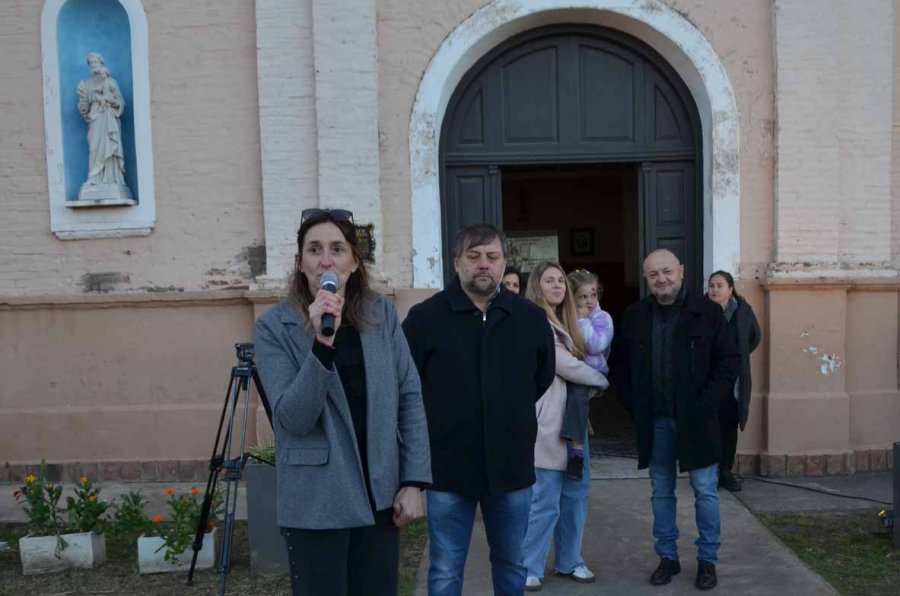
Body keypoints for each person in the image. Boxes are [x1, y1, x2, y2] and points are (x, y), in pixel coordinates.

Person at [255, 208, 432, 596]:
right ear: (301, 263)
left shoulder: (380, 314)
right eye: (314, 249)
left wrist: (414, 481)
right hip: (317, 499)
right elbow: (292, 419)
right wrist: (321, 344)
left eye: (337, 248)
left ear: (353, 261)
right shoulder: (273, 327)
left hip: (380, 495)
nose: (326, 259)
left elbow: (409, 396)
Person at [403, 224, 555, 596]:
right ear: (457, 262)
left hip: (511, 467)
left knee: (511, 564)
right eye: (473, 257)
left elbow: (542, 377)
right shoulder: (425, 319)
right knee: (444, 568)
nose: (483, 265)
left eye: (492, 257)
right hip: (447, 468)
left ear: (504, 263)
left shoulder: (530, 319)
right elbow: (408, 386)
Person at [610, 249, 739, 590]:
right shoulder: (635, 316)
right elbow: (620, 366)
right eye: (653, 275)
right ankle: (668, 557)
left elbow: (729, 365)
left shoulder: (708, 313)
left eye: (667, 271)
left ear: (681, 271)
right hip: (656, 422)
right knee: (661, 491)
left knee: (705, 491)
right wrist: (633, 406)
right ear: (646, 279)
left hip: (698, 420)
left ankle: (707, 560)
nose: (661, 279)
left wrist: (705, 405)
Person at [522, 262, 608, 591]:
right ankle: (530, 565)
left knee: (576, 495)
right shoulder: (535, 321)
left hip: (574, 426)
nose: (557, 285)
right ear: (536, 286)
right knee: (544, 498)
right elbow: (565, 365)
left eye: (560, 280)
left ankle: (570, 559)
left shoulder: (569, 323)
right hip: (547, 425)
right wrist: (600, 380)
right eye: (549, 280)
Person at [706, 271, 761, 492]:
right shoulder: (701, 312)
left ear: (730, 289)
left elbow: (755, 338)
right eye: (711, 286)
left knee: (728, 425)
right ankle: (707, 471)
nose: (714, 290)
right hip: (708, 379)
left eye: (719, 285)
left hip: (732, 380)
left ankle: (725, 471)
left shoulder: (743, 311)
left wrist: (738, 357)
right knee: (708, 426)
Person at [564, 269, 614, 478]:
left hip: (592, 371)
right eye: (583, 297)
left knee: (576, 396)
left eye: (592, 295)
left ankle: (576, 453)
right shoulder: (568, 316)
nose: (589, 301)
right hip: (571, 368)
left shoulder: (602, 318)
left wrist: (583, 321)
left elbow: (596, 345)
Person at [77, 53, 130, 194]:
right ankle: (94, 177)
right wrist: (82, 97)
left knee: (109, 145)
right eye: (91, 63)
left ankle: (111, 179)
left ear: (102, 63)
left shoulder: (111, 82)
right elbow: (84, 109)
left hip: (108, 117)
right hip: (95, 118)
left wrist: (111, 101)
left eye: (96, 62)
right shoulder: (87, 84)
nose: (94, 65)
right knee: (94, 146)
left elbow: (120, 102)